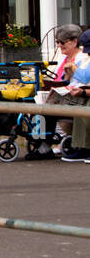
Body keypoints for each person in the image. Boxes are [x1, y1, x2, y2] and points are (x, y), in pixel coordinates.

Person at [46, 24, 90, 162]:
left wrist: (82, 91)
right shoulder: (79, 59)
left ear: (74, 42)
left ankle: (82, 147)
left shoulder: (82, 58)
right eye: (57, 42)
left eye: (62, 42)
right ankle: (80, 147)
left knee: (83, 107)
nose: (59, 45)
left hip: (78, 95)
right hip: (79, 93)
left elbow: (82, 79)